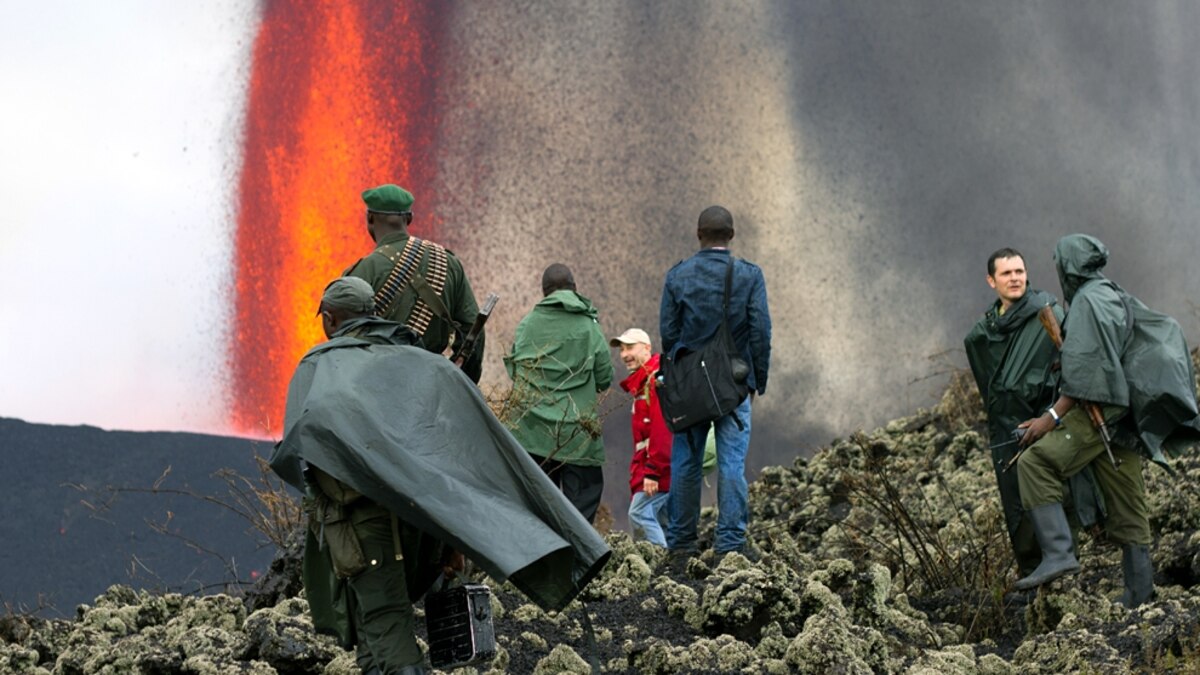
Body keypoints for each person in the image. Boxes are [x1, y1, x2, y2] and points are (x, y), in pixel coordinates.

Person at [271, 278, 610, 674]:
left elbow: (298, 448)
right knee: (372, 626)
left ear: (330, 320)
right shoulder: (423, 364)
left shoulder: (317, 367)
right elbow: (456, 448)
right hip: (424, 520)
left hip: (361, 524)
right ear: (372, 314)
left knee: (384, 617)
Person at [1012, 234, 1200, 607]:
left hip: (1102, 410)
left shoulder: (1086, 303)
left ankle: (1059, 554)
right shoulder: (1112, 293)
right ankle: (1139, 594)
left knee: (1036, 462)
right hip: (1123, 415)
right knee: (1127, 497)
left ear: (1068, 266)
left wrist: (1049, 418)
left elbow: (1089, 373)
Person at [963, 248, 1103, 576]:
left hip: (1046, 422)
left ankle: (1066, 575)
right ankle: (1031, 581)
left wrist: (1051, 415)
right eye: (1006, 273)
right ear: (991, 280)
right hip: (1005, 430)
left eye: (1019, 271)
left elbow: (1073, 366)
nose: (1015, 278)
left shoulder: (1047, 313)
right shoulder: (981, 335)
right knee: (1017, 509)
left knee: (1056, 495)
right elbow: (990, 389)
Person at [659, 205, 771, 564]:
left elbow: (668, 333)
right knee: (732, 465)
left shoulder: (678, 276)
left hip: (691, 388)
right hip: (735, 386)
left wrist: (684, 370)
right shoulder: (748, 275)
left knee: (687, 464)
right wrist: (758, 379)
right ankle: (729, 545)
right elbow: (760, 331)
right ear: (732, 235)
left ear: (698, 234)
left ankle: (680, 544)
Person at [505, 263, 614, 523]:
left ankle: (546, 559)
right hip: (578, 434)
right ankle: (578, 560)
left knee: (542, 508)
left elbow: (515, 371)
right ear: (574, 289)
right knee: (580, 506)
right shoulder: (588, 326)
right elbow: (604, 376)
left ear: (544, 293)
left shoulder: (527, 325)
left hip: (533, 434)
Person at [343, 183, 485, 382]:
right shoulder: (447, 262)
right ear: (409, 218)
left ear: (370, 218)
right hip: (433, 384)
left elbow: (343, 343)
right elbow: (472, 329)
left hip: (378, 386)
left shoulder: (360, 273)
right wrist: (461, 382)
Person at [611, 327, 673, 547]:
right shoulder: (643, 383)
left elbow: (662, 430)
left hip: (657, 469)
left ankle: (658, 564)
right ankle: (671, 568)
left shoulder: (655, 381)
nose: (624, 354)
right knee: (664, 521)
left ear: (647, 348)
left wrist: (653, 472)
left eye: (630, 347)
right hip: (654, 466)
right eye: (622, 349)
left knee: (639, 514)